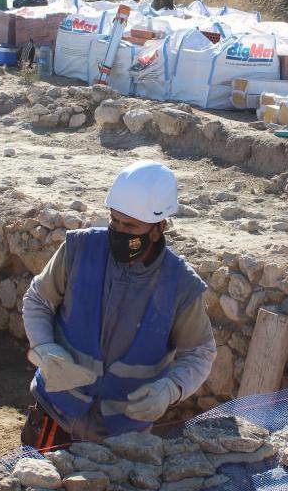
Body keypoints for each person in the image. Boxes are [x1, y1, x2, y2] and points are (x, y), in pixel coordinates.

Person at [20, 160, 216, 448]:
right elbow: (38, 300)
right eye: (115, 221)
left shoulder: (181, 285)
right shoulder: (79, 250)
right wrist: (45, 347)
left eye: (131, 226)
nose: (120, 231)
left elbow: (199, 352)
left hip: (123, 430)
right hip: (57, 409)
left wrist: (170, 389)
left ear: (159, 227)